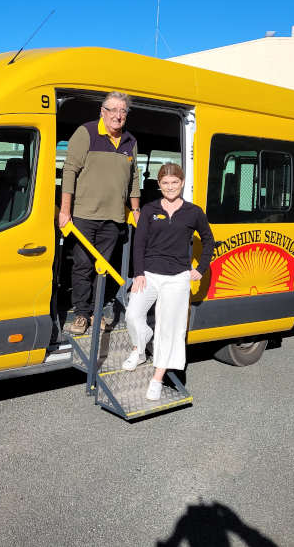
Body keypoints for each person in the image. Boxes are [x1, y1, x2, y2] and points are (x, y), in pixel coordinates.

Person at [124, 162, 214, 401]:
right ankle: (139, 347)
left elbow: (208, 240)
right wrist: (139, 273)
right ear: (159, 184)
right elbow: (139, 243)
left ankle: (157, 378)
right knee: (132, 315)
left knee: (169, 328)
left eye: (175, 182)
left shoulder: (193, 212)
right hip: (149, 274)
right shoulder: (150, 209)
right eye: (165, 183)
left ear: (182, 183)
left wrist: (200, 268)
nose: (170, 186)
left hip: (177, 278)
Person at [59, 91, 141, 334]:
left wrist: (136, 209)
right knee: (83, 266)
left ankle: (96, 313)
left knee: (103, 268)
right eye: (112, 110)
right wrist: (65, 210)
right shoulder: (86, 133)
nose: (118, 115)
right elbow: (69, 171)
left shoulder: (130, 141)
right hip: (84, 215)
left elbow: (134, 179)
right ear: (102, 112)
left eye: (123, 111)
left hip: (114, 217)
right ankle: (81, 314)